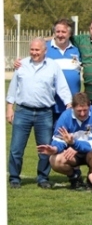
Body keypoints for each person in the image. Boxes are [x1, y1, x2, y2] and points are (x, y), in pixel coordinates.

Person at [6, 37, 73, 189]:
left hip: (44, 113)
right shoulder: (21, 65)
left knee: (45, 148)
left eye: (37, 50)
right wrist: (9, 107)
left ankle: (43, 178)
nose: (34, 53)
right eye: (32, 50)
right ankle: (14, 178)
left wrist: (69, 103)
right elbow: (13, 87)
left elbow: (61, 86)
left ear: (45, 51)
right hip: (23, 111)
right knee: (16, 148)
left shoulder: (53, 66)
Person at [38, 92, 92, 189]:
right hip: (72, 155)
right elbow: (59, 140)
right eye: (79, 111)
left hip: (90, 152)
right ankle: (74, 177)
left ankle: (91, 177)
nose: (82, 114)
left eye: (85, 110)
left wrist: (77, 146)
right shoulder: (65, 117)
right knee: (54, 160)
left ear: (89, 105)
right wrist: (54, 149)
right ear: (72, 107)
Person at [46, 18, 82, 124]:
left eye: (63, 32)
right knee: (49, 139)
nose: (60, 35)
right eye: (58, 31)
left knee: (70, 138)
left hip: (71, 105)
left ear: (69, 34)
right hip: (50, 105)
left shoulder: (76, 49)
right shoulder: (45, 48)